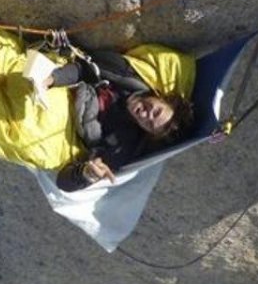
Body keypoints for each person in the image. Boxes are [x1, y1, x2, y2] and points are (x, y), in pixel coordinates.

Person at [49, 50, 194, 191]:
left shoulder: (122, 145)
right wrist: (54, 79)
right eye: (156, 112)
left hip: (58, 120)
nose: (146, 115)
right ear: (161, 97)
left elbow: (63, 183)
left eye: (149, 125)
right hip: (55, 80)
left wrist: (86, 174)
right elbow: (84, 68)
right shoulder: (126, 74)